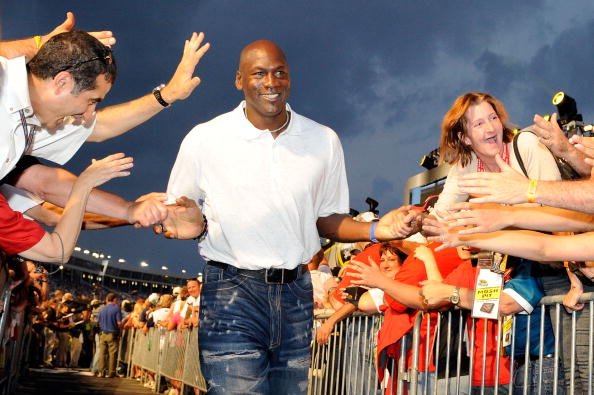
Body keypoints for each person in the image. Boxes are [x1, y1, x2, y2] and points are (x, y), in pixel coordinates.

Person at [161, 40, 418, 394]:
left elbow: (326, 220)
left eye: (280, 73)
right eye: (260, 73)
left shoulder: (323, 140)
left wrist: (376, 228)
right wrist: (183, 221)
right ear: (239, 80)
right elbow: (180, 217)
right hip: (231, 293)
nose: (272, 82)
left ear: (290, 79)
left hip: (296, 295)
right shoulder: (205, 139)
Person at [0, 26, 210, 228]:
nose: (88, 114)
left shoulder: (31, 122)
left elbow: (99, 128)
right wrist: (38, 44)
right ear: (62, 82)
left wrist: (167, 95)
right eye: (92, 101)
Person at [97, 293, 122, 378]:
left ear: (107, 299)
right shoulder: (116, 309)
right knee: (112, 354)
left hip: (103, 333)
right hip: (112, 333)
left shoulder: (102, 309)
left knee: (102, 353)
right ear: (114, 299)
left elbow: (99, 322)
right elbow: (119, 323)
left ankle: (102, 372)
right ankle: (111, 372)